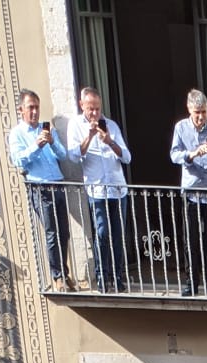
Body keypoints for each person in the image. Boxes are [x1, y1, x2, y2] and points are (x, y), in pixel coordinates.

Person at [67, 87, 130, 292]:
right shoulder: (75, 125)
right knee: (102, 233)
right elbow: (74, 156)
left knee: (118, 234)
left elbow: (127, 157)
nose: (95, 113)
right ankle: (103, 276)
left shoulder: (111, 125)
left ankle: (118, 276)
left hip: (118, 189)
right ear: (82, 105)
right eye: (91, 109)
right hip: (96, 190)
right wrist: (90, 137)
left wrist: (110, 141)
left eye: (97, 109)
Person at [169, 89, 207, 296]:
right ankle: (192, 284)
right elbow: (174, 155)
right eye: (197, 112)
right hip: (191, 195)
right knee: (191, 241)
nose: (201, 116)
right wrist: (192, 154)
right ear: (189, 109)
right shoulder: (181, 128)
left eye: (204, 112)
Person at [7, 91, 70, 289]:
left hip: (58, 183)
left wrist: (51, 141)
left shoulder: (47, 128)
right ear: (21, 110)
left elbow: (63, 154)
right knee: (52, 231)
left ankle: (64, 272)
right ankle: (57, 276)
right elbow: (18, 160)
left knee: (64, 232)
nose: (34, 111)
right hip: (40, 187)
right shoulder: (17, 134)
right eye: (30, 107)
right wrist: (36, 145)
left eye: (36, 107)